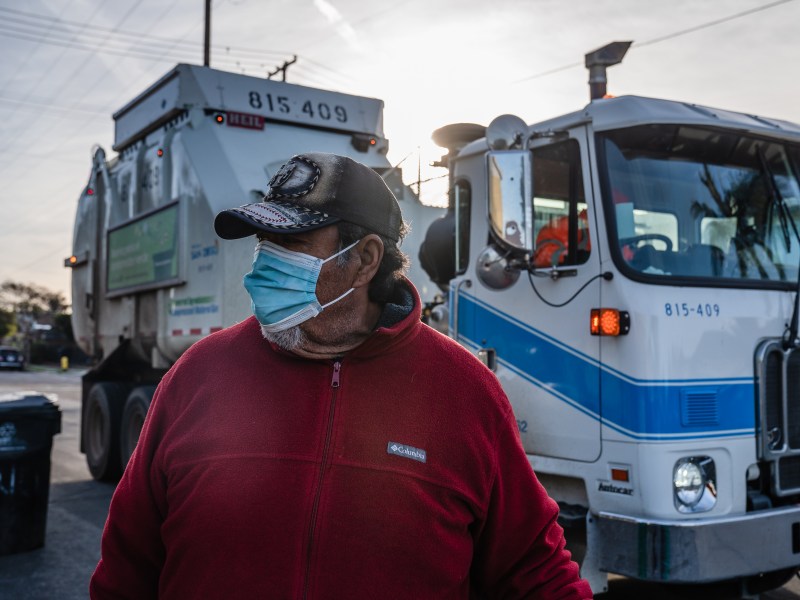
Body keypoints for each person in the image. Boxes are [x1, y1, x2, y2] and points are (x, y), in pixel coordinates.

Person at [90, 152, 592, 599]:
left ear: (365, 259)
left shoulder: (464, 392)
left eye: (293, 242)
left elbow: (533, 568)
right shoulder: (199, 372)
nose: (265, 264)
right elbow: (128, 561)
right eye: (265, 242)